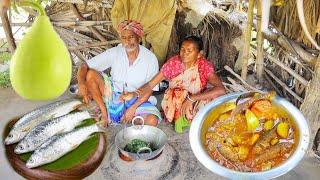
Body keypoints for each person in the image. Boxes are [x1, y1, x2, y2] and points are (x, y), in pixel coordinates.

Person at [124, 36, 226, 132]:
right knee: (178, 94)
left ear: (199, 54)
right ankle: (181, 119)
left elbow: (221, 90)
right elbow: (151, 85)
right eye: (182, 49)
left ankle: (194, 118)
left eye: (189, 51)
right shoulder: (174, 63)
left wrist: (192, 98)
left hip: (196, 97)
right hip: (177, 100)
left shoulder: (204, 66)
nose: (184, 53)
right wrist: (134, 95)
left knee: (213, 97)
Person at [77, 20, 162, 127]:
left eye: (131, 37)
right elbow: (84, 65)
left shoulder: (150, 58)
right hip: (113, 95)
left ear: (139, 38)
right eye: (124, 38)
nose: (127, 41)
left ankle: (131, 116)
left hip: (138, 98)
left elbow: (150, 89)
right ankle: (105, 114)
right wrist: (81, 83)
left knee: (152, 120)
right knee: (91, 74)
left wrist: (132, 108)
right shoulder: (115, 52)